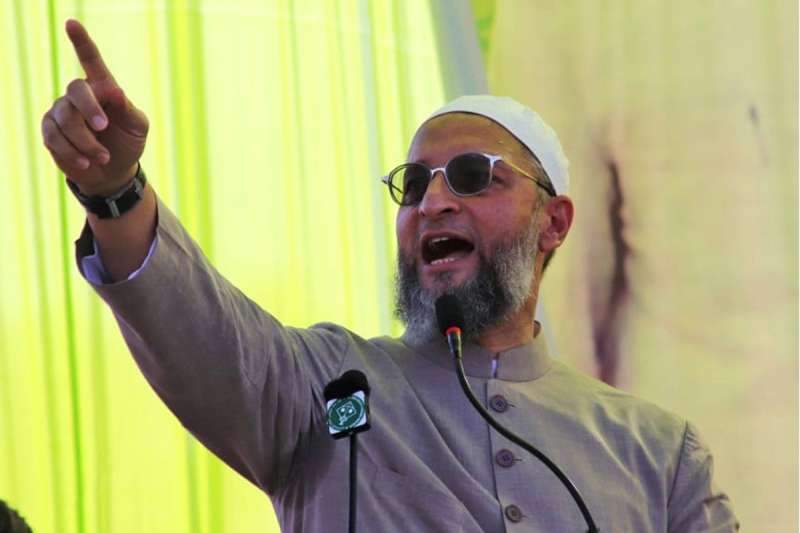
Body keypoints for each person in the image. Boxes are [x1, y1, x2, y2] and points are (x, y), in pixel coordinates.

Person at [42, 19, 739, 532]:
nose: (433, 201)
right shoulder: (328, 385)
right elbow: (198, 328)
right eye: (413, 184)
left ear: (553, 222)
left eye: (472, 175)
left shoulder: (658, 455)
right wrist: (115, 190)